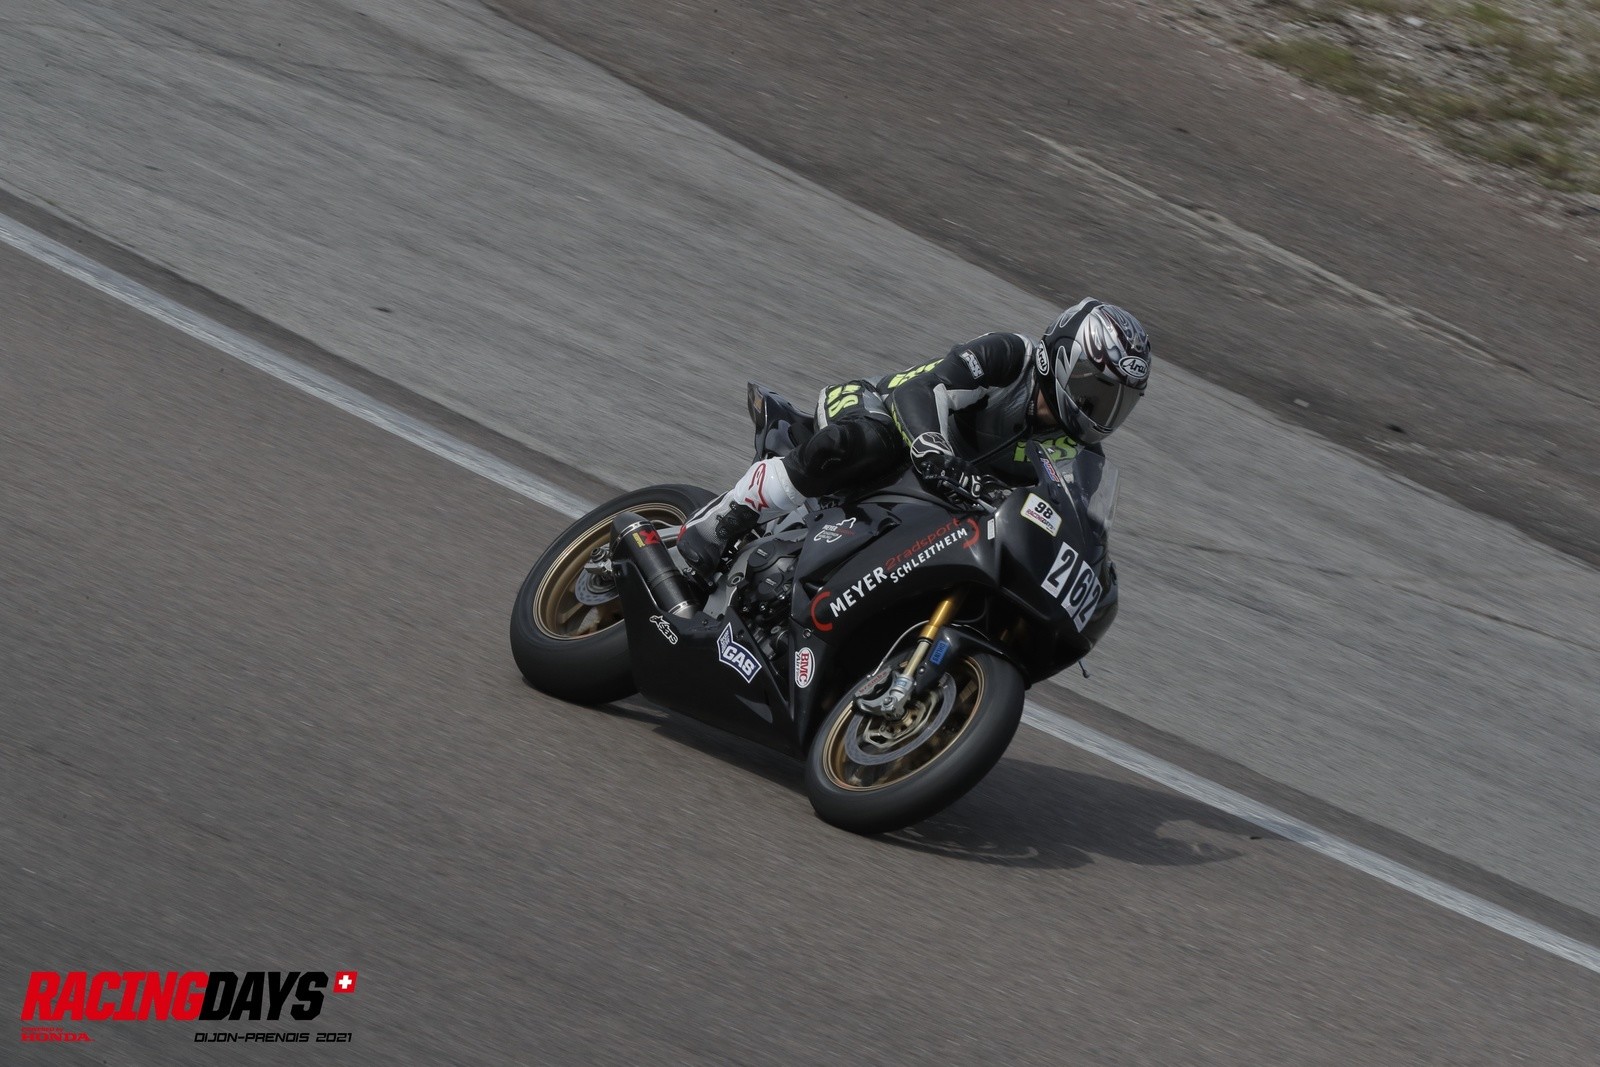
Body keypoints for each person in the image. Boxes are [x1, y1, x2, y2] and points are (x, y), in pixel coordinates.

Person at [676, 298, 1152, 577]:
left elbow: (1075, 532)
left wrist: (1093, 569)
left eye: (1120, 402)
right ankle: (726, 517)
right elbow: (921, 391)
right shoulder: (1011, 357)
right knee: (871, 439)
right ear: (1066, 361)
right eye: (1099, 391)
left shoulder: (1080, 454)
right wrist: (933, 449)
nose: (1104, 410)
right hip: (876, 409)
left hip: (936, 498)